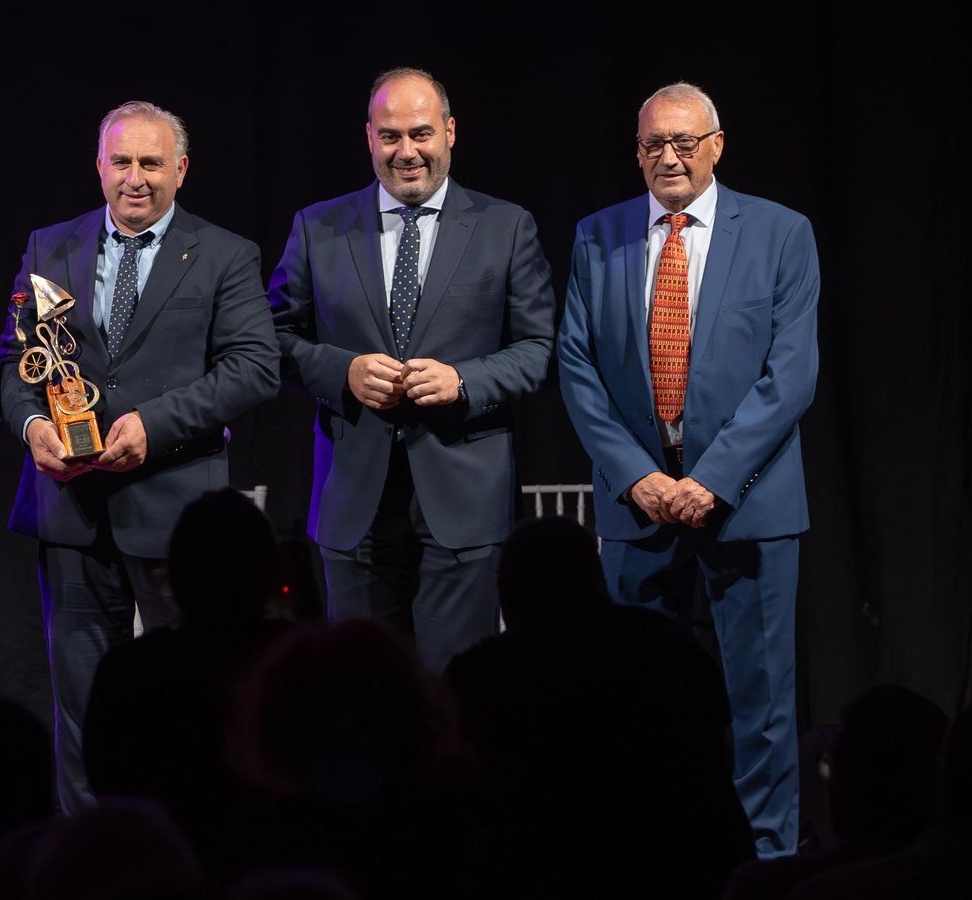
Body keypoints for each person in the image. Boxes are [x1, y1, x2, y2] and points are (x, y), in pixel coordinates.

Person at [557, 81, 820, 857]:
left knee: (761, 701)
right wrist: (637, 477)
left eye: (683, 143)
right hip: (639, 504)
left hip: (749, 502)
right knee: (637, 698)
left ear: (717, 144)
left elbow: (792, 373)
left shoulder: (781, 233)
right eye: (652, 145)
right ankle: (651, 850)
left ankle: (767, 855)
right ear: (635, 152)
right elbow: (577, 367)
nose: (668, 158)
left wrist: (712, 479)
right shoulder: (596, 236)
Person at [0, 100, 279, 812]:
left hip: (176, 512)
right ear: (99, 166)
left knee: (192, 701)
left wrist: (151, 426)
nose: (135, 178)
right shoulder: (46, 247)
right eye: (121, 162)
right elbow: (13, 363)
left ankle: (194, 846)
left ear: (179, 170)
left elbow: (254, 367)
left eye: (151, 163)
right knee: (81, 707)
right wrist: (33, 428)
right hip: (71, 507)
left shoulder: (225, 254)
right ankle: (89, 859)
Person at [269, 67, 555, 672]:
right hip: (354, 501)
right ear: (368, 138)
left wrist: (464, 381)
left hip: (464, 498)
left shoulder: (507, 227)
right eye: (391, 136)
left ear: (450, 132)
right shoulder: (317, 228)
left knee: (457, 696)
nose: (408, 152)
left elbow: (537, 350)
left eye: (422, 133)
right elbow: (271, 339)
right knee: (364, 704)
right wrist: (341, 371)